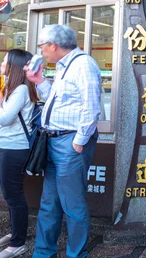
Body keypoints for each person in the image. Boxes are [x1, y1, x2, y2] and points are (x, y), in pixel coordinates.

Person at [25, 25, 101, 258]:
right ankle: (43, 253)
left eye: (42, 46)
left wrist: (78, 142)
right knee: (49, 203)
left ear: (53, 45)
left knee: (73, 205)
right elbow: (58, 102)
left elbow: (92, 107)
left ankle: (76, 254)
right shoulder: (63, 66)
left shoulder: (84, 65)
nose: (42, 51)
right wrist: (39, 81)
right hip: (54, 140)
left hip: (70, 142)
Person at [0, 50, 38, 258]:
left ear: (13, 66)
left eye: (5, 61)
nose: (2, 63)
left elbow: (5, 119)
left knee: (13, 195)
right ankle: (15, 232)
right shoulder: (13, 88)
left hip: (14, 148)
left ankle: (18, 243)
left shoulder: (22, 89)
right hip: (7, 145)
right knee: (9, 193)